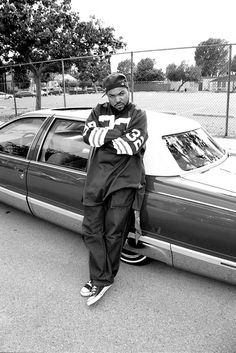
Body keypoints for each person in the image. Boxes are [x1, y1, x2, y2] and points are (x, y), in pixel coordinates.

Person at [81, 73, 148, 306]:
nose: (117, 99)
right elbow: (88, 135)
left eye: (121, 93)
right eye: (112, 95)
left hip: (123, 182)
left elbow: (130, 145)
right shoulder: (98, 111)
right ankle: (103, 277)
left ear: (128, 90)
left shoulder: (138, 115)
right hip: (96, 182)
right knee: (91, 230)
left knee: (113, 233)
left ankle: (100, 279)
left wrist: (105, 137)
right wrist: (118, 135)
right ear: (106, 96)